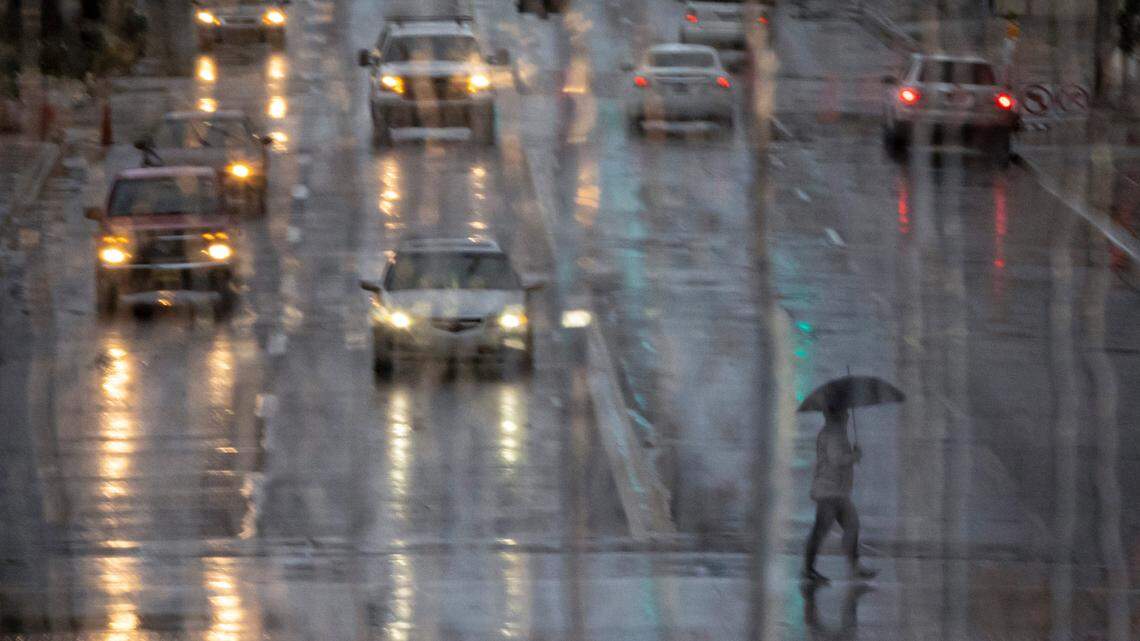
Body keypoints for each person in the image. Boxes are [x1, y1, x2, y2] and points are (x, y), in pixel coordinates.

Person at [803, 403, 877, 582]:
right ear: (837, 415)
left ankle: (854, 567)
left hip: (837, 492)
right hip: (829, 492)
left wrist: (852, 453)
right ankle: (809, 569)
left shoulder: (835, 433)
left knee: (851, 525)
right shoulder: (832, 434)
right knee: (821, 530)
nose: (848, 417)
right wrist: (854, 456)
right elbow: (836, 459)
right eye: (845, 414)